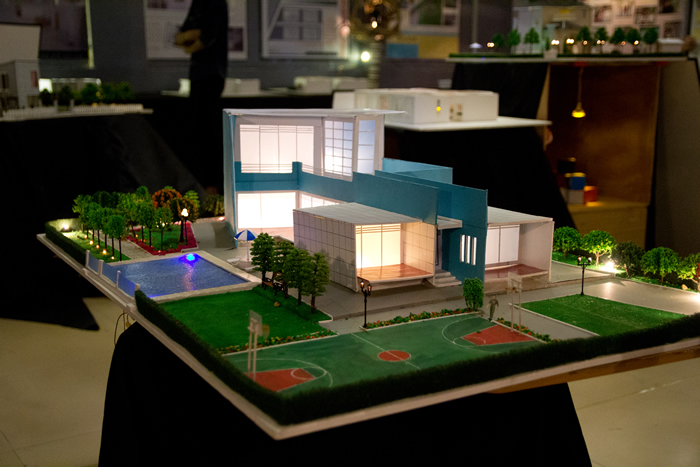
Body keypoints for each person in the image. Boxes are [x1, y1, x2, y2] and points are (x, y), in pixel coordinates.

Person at [175, 0, 229, 194]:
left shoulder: (214, 3)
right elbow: (179, 37)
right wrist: (191, 35)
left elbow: (205, 38)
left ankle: (213, 187)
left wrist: (193, 37)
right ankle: (208, 185)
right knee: (199, 130)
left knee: (206, 130)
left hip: (211, 74)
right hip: (198, 74)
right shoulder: (199, 3)